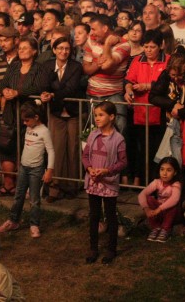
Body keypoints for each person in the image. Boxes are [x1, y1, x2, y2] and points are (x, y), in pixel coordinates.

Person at [0, 102, 55, 238]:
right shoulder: (29, 128)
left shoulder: (44, 131)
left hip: (36, 169)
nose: (24, 123)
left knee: (34, 199)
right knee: (18, 195)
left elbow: (51, 151)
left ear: (36, 117)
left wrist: (49, 170)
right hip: (24, 167)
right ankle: (13, 220)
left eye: (27, 120)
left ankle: (34, 224)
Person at [39, 36, 84, 201]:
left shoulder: (76, 66)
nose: (63, 52)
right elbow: (43, 84)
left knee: (73, 149)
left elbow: (71, 88)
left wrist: (52, 93)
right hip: (56, 112)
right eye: (60, 48)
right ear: (54, 50)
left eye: (66, 49)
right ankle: (55, 188)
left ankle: (72, 186)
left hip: (73, 112)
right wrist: (45, 93)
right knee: (56, 149)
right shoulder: (47, 65)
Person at [82, 101, 127, 265]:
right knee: (94, 215)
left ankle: (111, 249)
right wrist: (89, 169)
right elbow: (85, 156)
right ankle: (93, 248)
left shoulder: (118, 139)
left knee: (110, 216)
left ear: (112, 116)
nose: (97, 118)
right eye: (96, 115)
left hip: (108, 183)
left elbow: (123, 162)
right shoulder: (93, 135)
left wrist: (107, 171)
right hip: (93, 181)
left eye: (101, 115)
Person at [0, 36, 42, 194]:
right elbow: (2, 83)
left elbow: (38, 87)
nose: (21, 50)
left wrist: (18, 92)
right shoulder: (14, 66)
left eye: (25, 48)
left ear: (34, 51)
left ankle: (26, 187)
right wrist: (5, 90)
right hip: (10, 113)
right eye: (20, 48)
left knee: (27, 150)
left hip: (29, 114)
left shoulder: (39, 68)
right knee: (7, 149)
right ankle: (8, 185)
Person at [124, 29, 169, 185]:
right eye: (146, 47)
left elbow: (168, 84)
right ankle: (141, 180)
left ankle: (157, 182)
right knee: (141, 147)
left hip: (160, 112)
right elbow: (129, 80)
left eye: (152, 47)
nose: (149, 50)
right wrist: (128, 90)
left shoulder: (168, 60)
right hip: (140, 111)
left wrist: (147, 86)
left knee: (158, 149)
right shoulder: (138, 60)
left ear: (160, 46)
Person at [137, 156, 182, 243]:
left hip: (171, 214)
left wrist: (160, 209)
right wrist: (146, 209)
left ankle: (165, 229)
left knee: (173, 204)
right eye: (162, 169)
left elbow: (175, 199)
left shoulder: (176, 184)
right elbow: (141, 194)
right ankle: (156, 228)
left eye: (169, 170)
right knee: (149, 199)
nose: (164, 173)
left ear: (175, 172)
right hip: (159, 213)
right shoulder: (157, 182)